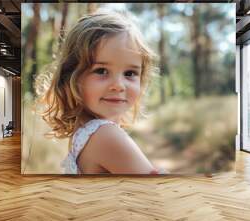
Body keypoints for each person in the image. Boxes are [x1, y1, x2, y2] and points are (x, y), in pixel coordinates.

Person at [42, 10, 165, 174]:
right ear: (72, 75)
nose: (118, 85)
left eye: (130, 73)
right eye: (101, 71)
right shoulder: (106, 135)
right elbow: (155, 194)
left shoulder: (84, 132)